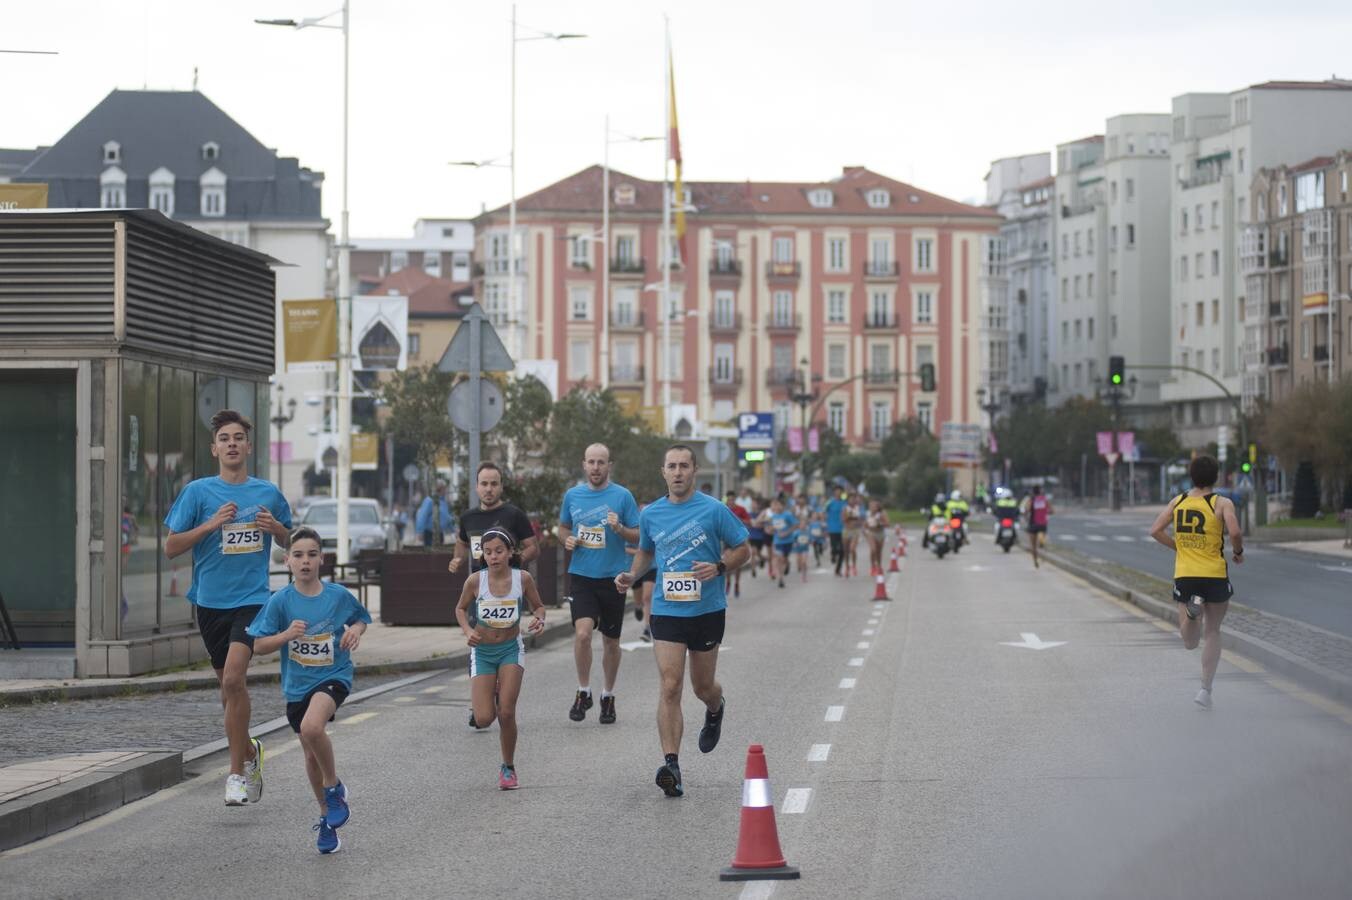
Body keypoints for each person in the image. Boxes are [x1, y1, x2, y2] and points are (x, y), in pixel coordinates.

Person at [164, 409, 291, 807]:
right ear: (214, 448)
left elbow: (293, 541)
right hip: (209, 603)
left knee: (235, 680)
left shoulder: (268, 492)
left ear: (249, 447)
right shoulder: (198, 493)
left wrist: (278, 531)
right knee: (227, 692)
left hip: (253, 600)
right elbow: (171, 547)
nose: (232, 444)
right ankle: (250, 752)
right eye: (225, 438)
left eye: (239, 437)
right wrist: (210, 525)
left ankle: (235, 775)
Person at [615, 445, 750, 798]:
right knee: (670, 685)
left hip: (707, 610)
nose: (677, 472)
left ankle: (716, 707)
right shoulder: (652, 514)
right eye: (672, 466)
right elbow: (646, 549)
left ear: (694, 471)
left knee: (702, 687)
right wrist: (631, 576)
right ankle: (671, 765)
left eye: (684, 466)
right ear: (663, 472)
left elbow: (743, 549)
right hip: (667, 610)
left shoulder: (714, 510)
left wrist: (719, 566)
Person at [246, 526, 370, 854]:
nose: (305, 562)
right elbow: (258, 645)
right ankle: (327, 818)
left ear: (322, 559)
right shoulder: (280, 601)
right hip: (296, 686)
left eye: (312, 555)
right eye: (298, 555)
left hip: (334, 676)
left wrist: (355, 632)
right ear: (287, 560)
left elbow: (360, 618)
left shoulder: (338, 596)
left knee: (312, 727)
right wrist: (286, 635)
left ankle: (334, 789)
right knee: (309, 752)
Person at [455, 529, 547, 788]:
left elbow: (538, 606)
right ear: (482, 555)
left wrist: (539, 619)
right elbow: (460, 609)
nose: (493, 556)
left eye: (499, 551)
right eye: (488, 552)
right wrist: (468, 631)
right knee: (484, 718)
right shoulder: (475, 581)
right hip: (483, 652)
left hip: (510, 649)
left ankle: (508, 767)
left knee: (506, 712)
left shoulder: (523, 578)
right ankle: (491, 693)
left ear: (510, 553)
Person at [450, 462, 539, 729]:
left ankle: (500, 683)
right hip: (480, 588)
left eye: (494, 483)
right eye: (484, 484)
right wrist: (457, 560)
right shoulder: (468, 518)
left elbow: (533, 546)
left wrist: (516, 562)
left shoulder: (513, 515)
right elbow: (462, 543)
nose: (489, 489)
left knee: (503, 637)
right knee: (479, 639)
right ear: (477, 487)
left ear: (501, 486)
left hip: (507, 587)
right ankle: (481, 697)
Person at [1149, 456, 1243, 709]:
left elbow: (1155, 530)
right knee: (1213, 631)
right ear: (1216, 477)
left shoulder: (1178, 501)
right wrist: (1238, 551)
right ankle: (1205, 689)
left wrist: (1178, 547)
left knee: (1189, 641)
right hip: (1214, 574)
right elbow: (1234, 531)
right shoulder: (1222, 503)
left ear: (1191, 476)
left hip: (1186, 573)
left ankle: (1192, 614)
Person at [557, 444, 640, 724]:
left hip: (613, 577)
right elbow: (563, 527)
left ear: (609, 465)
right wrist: (566, 539)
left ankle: (608, 695)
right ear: (584, 465)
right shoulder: (573, 495)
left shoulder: (622, 496)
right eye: (591, 462)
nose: (595, 467)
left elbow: (638, 536)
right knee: (582, 634)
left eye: (601, 462)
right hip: (582, 575)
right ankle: (584, 691)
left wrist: (619, 529)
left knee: (611, 641)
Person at [725, 491, 753, 598]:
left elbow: (749, 521)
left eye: (732, 499)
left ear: (735, 499)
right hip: (727, 539)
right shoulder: (723, 509)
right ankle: (728, 582)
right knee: (726, 561)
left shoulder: (741, 509)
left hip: (738, 539)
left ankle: (736, 584)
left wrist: (739, 520)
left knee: (737, 565)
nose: (730, 502)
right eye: (729, 500)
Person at [768, 496, 797, 590]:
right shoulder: (773, 516)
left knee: (784, 558)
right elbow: (771, 528)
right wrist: (770, 530)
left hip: (788, 541)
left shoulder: (787, 515)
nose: (777, 507)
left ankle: (788, 563)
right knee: (779, 558)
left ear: (783, 506)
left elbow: (795, 525)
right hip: (778, 541)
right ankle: (781, 578)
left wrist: (786, 533)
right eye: (776, 505)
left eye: (779, 505)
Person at [416, 483, 454, 547]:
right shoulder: (430, 500)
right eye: (445, 489)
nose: (446, 492)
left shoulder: (443, 502)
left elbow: (447, 517)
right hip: (430, 533)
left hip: (440, 533)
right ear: (440, 489)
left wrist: (453, 529)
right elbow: (422, 516)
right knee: (431, 554)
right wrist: (420, 531)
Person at [1024, 485, 1053, 568]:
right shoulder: (1045, 500)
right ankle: (1042, 541)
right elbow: (1052, 510)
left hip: (1033, 524)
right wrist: (1045, 513)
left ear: (1033, 492)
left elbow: (1027, 509)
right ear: (1040, 491)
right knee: (1042, 536)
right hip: (1043, 524)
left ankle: (1035, 560)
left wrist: (1026, 517)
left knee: (1033, 546)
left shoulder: (1031, 500)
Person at [841, 492, 862, 577]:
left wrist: (855, 520)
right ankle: (847, 567)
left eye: (854, 499)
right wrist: (850, 517)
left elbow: (860, 520)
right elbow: (843, 519)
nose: (852, 500)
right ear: (848, 500)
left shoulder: (858, 508)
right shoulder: (845, 508)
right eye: (850, 499)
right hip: (846, 530)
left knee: (852, 549)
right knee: (846, 551)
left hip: (855, 531)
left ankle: (854, 565)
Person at [865, 500, 889, 572]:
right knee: (873, 549)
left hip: (880, 533)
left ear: (877, 507)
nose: (872, 508)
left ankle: (879, 565)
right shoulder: (867, 514)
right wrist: (867, 527)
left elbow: (887, 524)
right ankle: (873, 566)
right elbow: (865, 525)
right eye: (870, 506)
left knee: (879, 551)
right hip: (871, 533)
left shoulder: (882, 513)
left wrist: (879, 523)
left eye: (874, 506)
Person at [746, 498, 768, 577]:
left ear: (758, 505)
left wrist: (758, 524)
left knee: (758, 553)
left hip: (760, 537)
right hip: (752, 536)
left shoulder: (761, 514)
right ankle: (753, 570)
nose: (753, 505)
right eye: (752, 504)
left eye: (754, 504)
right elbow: (747, 524)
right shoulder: (748, 514)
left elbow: (764, 525)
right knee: (753, 552)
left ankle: (763, 559)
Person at [825, 491, 846, 575]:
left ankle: (838, 569)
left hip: (843, 529)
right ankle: (833, 554)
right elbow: (823, 511)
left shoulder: (844, 503)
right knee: (834, 548)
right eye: (836, 492)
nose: (838, 493)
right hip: (832, 529)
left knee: (842, 551)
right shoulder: (830, 502)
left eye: (839, 492)